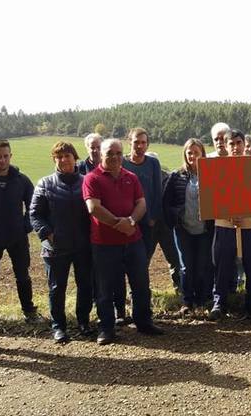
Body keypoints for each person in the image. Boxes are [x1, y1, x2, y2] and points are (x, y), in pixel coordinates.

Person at [83, 138, 163, 345]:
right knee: (105, 288)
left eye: (118, 153)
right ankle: (107, 328)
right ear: (101, 154)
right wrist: (119, 224)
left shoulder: (131, 177)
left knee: (141, 283)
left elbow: (142, 203)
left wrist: (131, 220)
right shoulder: (92, 178)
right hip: (104, 244)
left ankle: (144, 322)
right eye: (110, 153)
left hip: (133, 240)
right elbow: (93, 208)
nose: (115, 157)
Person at [30, 141, 94, 343]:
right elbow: (35, 214)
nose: (64, 160)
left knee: (86, 285)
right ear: (54, 160)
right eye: (59, 156)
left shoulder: (87, 181)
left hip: (83, 245)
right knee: (57, 288)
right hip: (55, 248)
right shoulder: (45, 183)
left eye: (67, 156)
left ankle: (83, 321)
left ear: (75, 158)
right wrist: (48, 234)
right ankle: (58, 326)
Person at [0, 140, 38, 325]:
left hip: (17, 237)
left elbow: (34, 206)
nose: (2, 160)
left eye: (5, 156)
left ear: (10, 156)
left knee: (23, 275)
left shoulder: (21, 180)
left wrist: (25, 226)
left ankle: (29, 311)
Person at [209, 129, 251, 319]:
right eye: (231, 143)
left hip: (250, 224)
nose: (235, 147)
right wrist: (228, 214)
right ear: (225, 145)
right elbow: (211, 198)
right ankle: (219, 302)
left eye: (238, 143)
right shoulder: (216, 167)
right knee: (223, 264)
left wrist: (245, 213)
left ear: (243, 144)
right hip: (224, 223)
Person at [163, 139, 214, 315]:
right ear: (185, 154)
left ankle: (200, 301)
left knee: (201, 266)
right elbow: (166, 202)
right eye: (189, 153)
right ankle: (187, 302)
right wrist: (177, 215)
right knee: (186, 266)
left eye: (196, 152)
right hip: (183, 229)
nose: (192, 156)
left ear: (202, 154)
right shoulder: (177, 176)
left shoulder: (212, 175)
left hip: (205, 229)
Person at [122, 127, 163, 263]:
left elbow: (158, 191)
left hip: (147, 221)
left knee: (143, 259)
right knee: (125, 259)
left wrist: (153, 218)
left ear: (147, 144)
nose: (139, 146)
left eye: (143, 142)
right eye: (136, 142)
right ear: (129, 143)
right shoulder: (122, 163)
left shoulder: (153, 163)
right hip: (126, 220)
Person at [146, 151, 184, 292]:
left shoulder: (168, 177)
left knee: (174, 259)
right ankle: (142, 292)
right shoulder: (141, 177)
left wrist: (173, 215)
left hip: (166, 226)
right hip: (148, 225)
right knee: (143, 261)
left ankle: (179, 289)